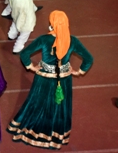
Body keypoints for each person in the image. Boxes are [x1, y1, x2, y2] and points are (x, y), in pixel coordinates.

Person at [7, 10, 94, 149]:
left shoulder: (44, 39)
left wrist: (32, 67)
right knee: (59, 107)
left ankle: (31, 131)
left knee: (37, 103)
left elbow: (25, 53)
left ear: (51, 23)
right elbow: (89, 58)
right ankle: (55, 136)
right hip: (64, 80)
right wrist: (78, 72)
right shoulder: (72, 40)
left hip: (44, 79)